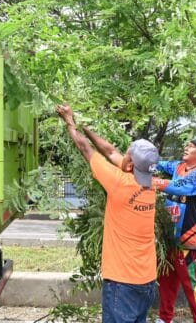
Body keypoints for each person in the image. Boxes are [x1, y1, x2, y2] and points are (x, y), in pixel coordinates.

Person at [55, 102, 158, 323]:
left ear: (130, 165)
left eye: (127, 154)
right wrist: (86, 127)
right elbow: (110, 151)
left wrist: (70, 121)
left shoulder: (118, 183)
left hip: (123, 283)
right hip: (147, 281)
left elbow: (85, 149)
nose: (123, 155)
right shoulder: (152, 184)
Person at [151, 136, 196, 323]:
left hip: (189, 237)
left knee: (191, 284)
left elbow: (180, 187)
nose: (187, 147)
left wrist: (151, 181)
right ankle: (164, 318)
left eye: (192, 146)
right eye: (188, 144)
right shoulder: (178, 166)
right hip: (170, 236)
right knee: (166, 279)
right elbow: (159, 164)